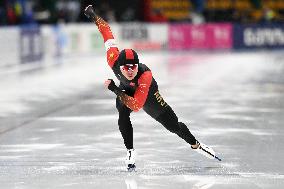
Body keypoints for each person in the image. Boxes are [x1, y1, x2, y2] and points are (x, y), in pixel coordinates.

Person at [84, 5, 221, 171]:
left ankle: (196, 145)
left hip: (148, 95)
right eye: (125, 68)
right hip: (127, 90)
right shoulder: (112, 58)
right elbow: (106, 30)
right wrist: (93, 15)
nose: (129, 71)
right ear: (118, 66)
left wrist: (114, 88)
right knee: (121, 109)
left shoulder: (144, 75)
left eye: (133, 67)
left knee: (174, 126)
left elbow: (136, 105)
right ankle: (130, 151)